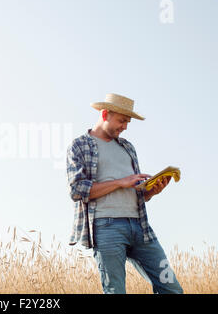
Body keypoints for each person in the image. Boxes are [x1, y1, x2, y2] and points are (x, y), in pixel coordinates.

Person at [66, 93, 183, 294]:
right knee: (116, 291)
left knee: (172, 288)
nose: (125, 127)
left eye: (128, 122)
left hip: (140, 227)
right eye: (122, 121)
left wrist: (151, 191)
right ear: (105, 114)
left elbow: (133, 190)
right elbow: (77, 190)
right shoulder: (79, 146)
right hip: (106, 227)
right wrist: (120, 182)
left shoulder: (128, 147)